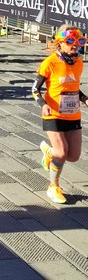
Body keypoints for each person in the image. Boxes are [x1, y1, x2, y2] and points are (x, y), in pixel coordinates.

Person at [32, 25, 88, 204]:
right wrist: (42, 104)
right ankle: (53, 186)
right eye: (70, 41)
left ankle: (49, 153)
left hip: (73, 115)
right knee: (62, 153)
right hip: (53, 113)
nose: (75, 46)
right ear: (60, 43)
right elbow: (35, 89)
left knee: (73, 156)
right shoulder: (50, 62)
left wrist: (84, 98)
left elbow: (72, 87)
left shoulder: (79, 63)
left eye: (78, 42)